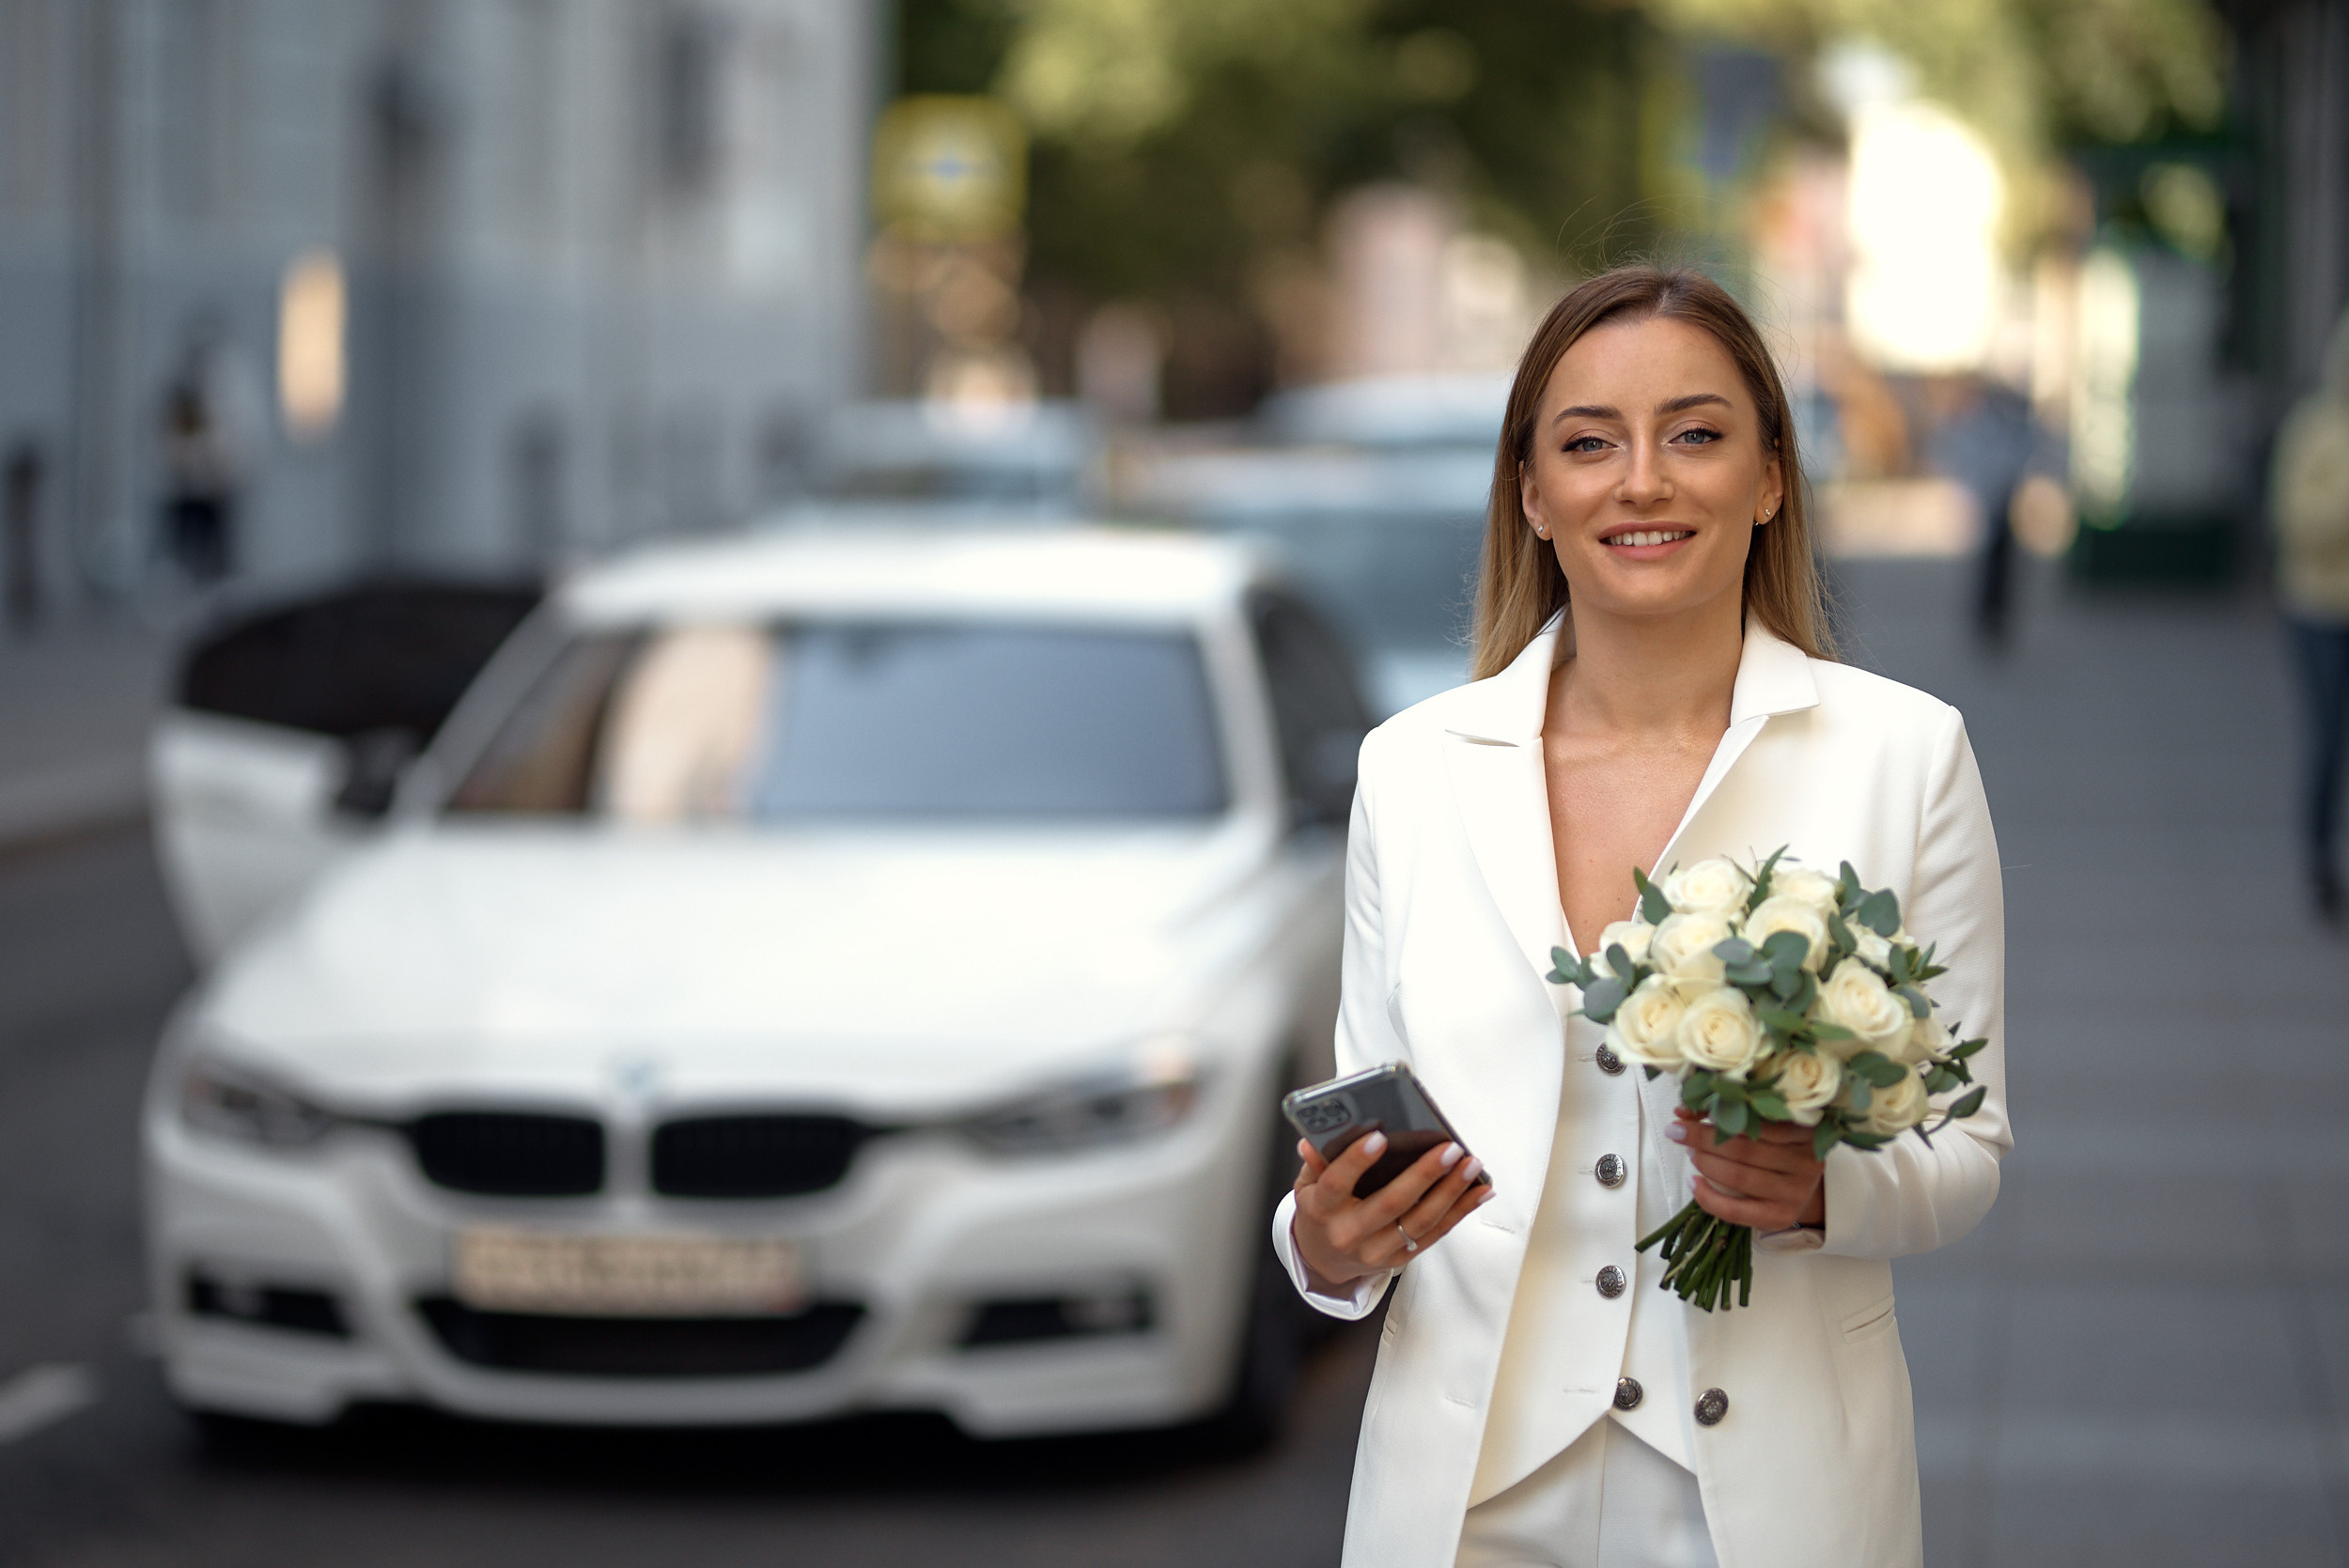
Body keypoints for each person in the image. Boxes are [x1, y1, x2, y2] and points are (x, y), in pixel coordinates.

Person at [1271, 266, 2010, 1568]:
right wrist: (1323, 1244)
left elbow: (1966, 1150)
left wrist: (1820, 1189)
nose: (1643, 482)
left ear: (1770, 477)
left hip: (1767, 1504)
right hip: (1473, 1502)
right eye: (1589, 443)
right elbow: (1359, 1137)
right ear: (1532, 493)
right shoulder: (1413, 767)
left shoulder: (1906, 754)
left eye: (1696, 434)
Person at [2272, 308, 2349, 924]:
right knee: (2329, 737)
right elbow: (2294, 521)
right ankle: (2320, 859)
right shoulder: (2315, 429)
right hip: (2319, 608)